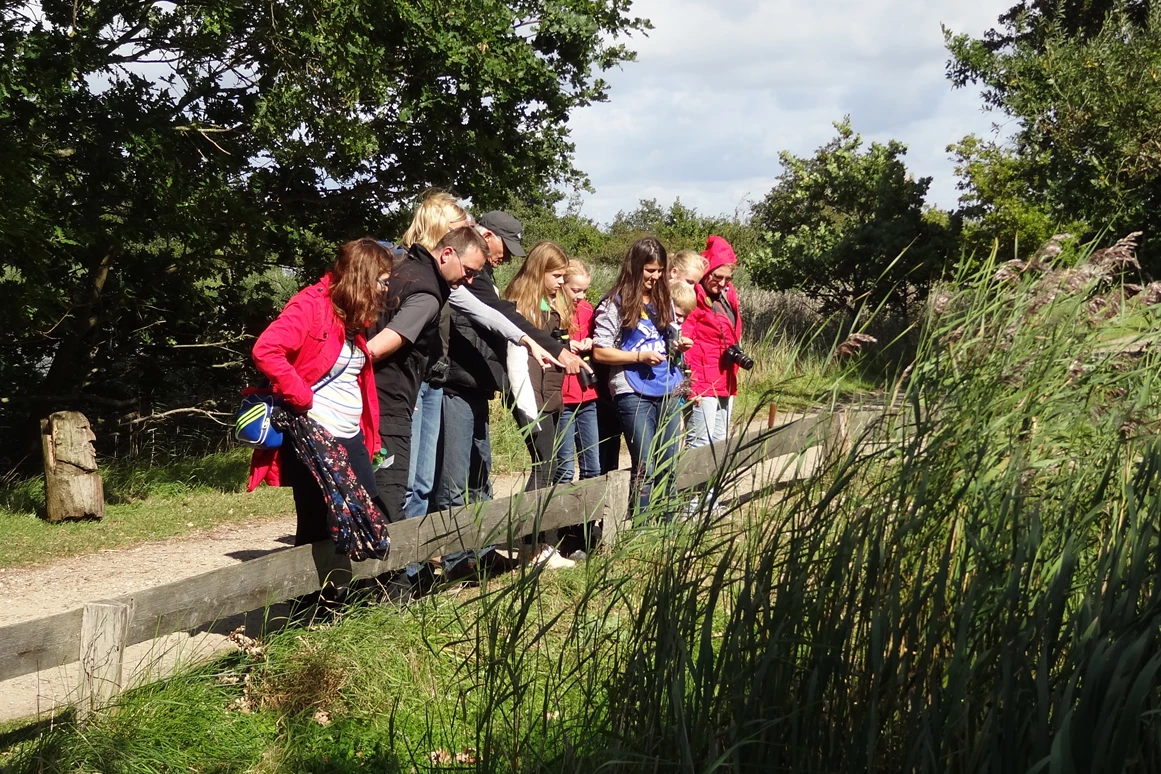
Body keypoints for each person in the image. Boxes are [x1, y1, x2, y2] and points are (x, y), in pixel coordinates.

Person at [435, 211, 586, 512]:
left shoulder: (482, 277)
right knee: (458, 477)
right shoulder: (476, 281)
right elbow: (499, 317)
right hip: (473, 385)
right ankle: (526, 539)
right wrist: (546, 347)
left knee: (481, 473)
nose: (505, 258)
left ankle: (484, 551)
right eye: (557, 276)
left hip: (487, 385)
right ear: (487, 236)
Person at [248, 238, 392, 547]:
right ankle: (312, 596)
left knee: (367, 511)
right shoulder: (310, 306)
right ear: (363, 277)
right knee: (316, 523)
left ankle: (362, 591)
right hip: (314, 433)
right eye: (381, 281)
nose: (385, 288)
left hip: (349, 432)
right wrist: (300, 395)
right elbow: (266, 349)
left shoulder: (350, 314)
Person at [366, 225, 488, 522]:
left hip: (373, 392)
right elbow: (381, 345)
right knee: (392, 489)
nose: (468, 281)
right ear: (447, 253)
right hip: (390, 398)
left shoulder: (400, 267)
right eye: (468, 271)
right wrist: (346, 363)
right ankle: (393, 568)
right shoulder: (428, 293)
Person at [593, 237, 692, 515]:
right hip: (631, 391)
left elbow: (668, 341)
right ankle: (643, 529)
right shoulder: (615, 303)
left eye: (660, 270)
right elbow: (600, 352)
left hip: (667, 388)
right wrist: (638, 357)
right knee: (644, 466)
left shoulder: (664, 301)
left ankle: (668, 526)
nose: (655, 276)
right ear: (636, 267)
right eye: (650, 270)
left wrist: (678, 345)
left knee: (669, 462)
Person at [504, 241, 571, 492]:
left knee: (549, 464)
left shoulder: (549, 303)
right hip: (531, 394)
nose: (561, 282)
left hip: (550, 392)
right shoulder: (519, 305)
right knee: (544, 465)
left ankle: (541, 531)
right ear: (538, 271)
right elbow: (518, 359)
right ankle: (527, 531)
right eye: (556, 275)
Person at [683, 235, 745, 450]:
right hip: (701, 381)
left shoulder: (728, 295)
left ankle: (711, 486)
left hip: (725, 377)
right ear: (706, 271)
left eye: (727, 278)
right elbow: (685, 342)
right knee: (698, 444)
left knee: (719, 443)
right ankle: (688, 485)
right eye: (717, 276)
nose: (721, 283)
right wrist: (691, 387)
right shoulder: (692, 295)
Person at [555, 259, 600, 483]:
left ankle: (588, 518)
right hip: (563, 396)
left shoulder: (586, 309)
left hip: (587, 392)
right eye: (576, 290)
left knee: (593, 467)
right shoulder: (551, 309)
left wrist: (591, 341)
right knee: (564, 469)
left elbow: (598, 336)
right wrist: (564, 347)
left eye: (584, 290)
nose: (580, 295)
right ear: (563, 284)